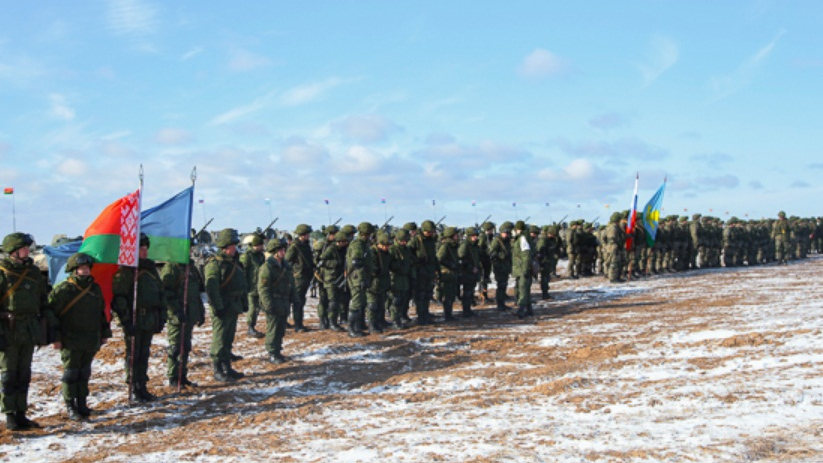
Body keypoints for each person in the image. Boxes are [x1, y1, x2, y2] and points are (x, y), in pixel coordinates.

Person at [49, 252, 111, 420]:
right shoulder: (64, 289)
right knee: (71, 373)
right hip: (70, 338)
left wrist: (105, 333)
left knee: (84, 372)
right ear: (74, 270)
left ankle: (82, 403)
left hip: (90, 337)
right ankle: (71, 406)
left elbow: (101, 312)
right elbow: (51, 315)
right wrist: (55, 338)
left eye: (86, 268)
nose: (84, 271)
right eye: (81, 268)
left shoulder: (94, 288)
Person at [0, 232, 52, 430]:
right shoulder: (3, 272)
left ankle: (21, 413)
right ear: (14, 251)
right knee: (8, 375)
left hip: (28, 329)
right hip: (8, 330)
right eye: (24, 248)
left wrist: (48, 329)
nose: (27, 251)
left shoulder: (33, 272)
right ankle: (9, 414)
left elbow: (43, 301)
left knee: (24, 374)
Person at [111, 233, 166, 402]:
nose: (144, 252)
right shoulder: (127, 272)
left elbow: (160, 294)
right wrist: (126, 321)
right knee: (133, 354)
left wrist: (161, 318)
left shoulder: (151, 270)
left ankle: (142, 385)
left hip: (148, 318)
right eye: (140, 249)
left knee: (144, 353)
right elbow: (119, 297)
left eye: (145, 249)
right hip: (134, 318)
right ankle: (133, 386)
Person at [205, 228, 248, 382]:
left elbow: (242, 284)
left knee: (228, 338)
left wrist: (244, 302)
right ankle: (217, 369)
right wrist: (218, 307)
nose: (235, 249)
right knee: (220, 338)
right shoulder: (215, 264)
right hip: (222, 306)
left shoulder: (234, 263)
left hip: (233, 305)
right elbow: (212, 288)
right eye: (232, 246)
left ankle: (227, 367)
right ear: (225, 246)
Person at [161, 247, 206, 389]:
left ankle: (182, 375)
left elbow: (196, 292)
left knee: (186, 346)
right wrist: (176, 311)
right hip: (177, 315)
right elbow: (166, 293)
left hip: (189, 314)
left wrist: (200, 311)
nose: (190, 250)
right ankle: (173, 376)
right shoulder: (171, 268)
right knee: (175, 347)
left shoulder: (190, 267)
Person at [258, 239, 297, 364]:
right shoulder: (267, 268)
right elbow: (263, 288)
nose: (283, 252)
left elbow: (291, 283)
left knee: (280, 328)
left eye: (284, 249)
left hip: (284, 301)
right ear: (274, 252)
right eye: (280, 250)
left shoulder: (285, 266)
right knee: (273, 328)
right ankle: (272, 353)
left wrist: (294, 298)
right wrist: (268, 304)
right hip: (274, 301)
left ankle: (278, 350)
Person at [346, 222, 376, 337]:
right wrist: (362, 278)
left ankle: (357, 326)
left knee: (361, 302)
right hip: (357, 279)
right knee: (357, 304)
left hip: (361, 277)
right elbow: (357, 263)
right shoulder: (358, 244)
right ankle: (352, 329)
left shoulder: (363, 244)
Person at [285, 224, 314, 332]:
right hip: (298, 277)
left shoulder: (305, 245)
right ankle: (298, 325)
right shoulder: (294, 246)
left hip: (305, 276)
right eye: (307, 234)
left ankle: (298, 323)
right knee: (298, 301)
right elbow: (287, 261)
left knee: (301, 300)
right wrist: (295, 271)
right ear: (302, 234)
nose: (308, 236)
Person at [319, 231, 349, 332]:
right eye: (344, 241)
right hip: (330, 279)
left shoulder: (344, 249)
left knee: (338, 300)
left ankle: (334, 321)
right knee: (333, 302)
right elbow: (322, 261)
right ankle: (332, 323)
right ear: (339, 242)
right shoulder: (331, 249)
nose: (346, 243)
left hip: (339, 278)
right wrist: (336, 263)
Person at [409, 220, 438, 325]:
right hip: (420, 271)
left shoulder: (431, 241)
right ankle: (421, 316)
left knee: (427, 294)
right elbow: (408, 253)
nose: (431, 233)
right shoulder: (416, 240)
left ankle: (425, 314)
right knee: (420, 295)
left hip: (429, 271)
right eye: (429, 232)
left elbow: (434, 256)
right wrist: (417, 260)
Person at [241, 233, 266, 338]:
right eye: (260, 245)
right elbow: (242, 272)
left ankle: (253, 326)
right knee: (252, 308)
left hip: (260, 286)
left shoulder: (261, 255)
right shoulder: (247, 256)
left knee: (258, 308)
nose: (262, 247)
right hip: (250, 287)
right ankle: (250, 327)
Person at [367, 232, 392, 333]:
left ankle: (380, 321)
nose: (387, 248)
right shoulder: (372, 252)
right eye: (385, 245)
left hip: (383, 282)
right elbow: (371, 268)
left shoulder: (386, 254)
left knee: (381, 303)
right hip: (373, 282)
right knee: (373, 305)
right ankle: (372, 324)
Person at [388, 228, 413, 328]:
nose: (404, 242)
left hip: (404, 278)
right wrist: (398, 265)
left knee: (404, 299)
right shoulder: (392, 249)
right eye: (402, 240)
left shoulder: (406, 250)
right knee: (396, 300)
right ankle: (395, 320)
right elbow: (389, 264)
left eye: (406, 241)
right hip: (395, 278)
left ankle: (401, 317)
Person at [510, 221, 535, 318]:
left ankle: (522, 310)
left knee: (523, 289)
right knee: (525, 289)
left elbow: (526, 255)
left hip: (522, 269)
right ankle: (529, 310)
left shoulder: (522, 239)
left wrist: (525, 269)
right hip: (520, 268)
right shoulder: (522, 238)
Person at [436, 226, 460, 321]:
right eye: (455, 235)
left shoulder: (453, 246)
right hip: (447, 275)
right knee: (448, 296)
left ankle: (449, 314)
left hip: (452, 274)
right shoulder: (445, 246)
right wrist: (450, 264)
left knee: (451, 295)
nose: (457, 236)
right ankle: (447, 315)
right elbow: (439, 258)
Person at [489, 221, 513, 311]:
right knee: (501, 285)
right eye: (504, 233)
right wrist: (502, 255)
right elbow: (492, 253)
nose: (506, 235)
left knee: (504, 285)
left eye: (507, 233)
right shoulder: (496, 241)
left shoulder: (507, 241)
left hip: (505, 266)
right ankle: (500, 304)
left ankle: (502, 303)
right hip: (499, 266)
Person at [458, 227, 480, 317]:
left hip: (473, 273)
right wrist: (471, 268)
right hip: (466, 272)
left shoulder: (474, 246)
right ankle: (466, 310)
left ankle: (468, 310)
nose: (475, 237)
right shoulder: (465, 246)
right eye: (473, 236)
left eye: (476, 236)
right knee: (467, 292)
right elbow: (461, 259)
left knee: (470, 291)